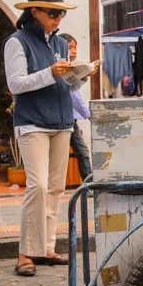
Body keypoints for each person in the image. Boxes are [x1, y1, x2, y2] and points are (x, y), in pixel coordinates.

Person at [3, 0, 89, 277]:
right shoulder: (17, 41)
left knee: (55, 188)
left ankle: (46, 247)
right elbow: (15, 84)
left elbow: (64, 84)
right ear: (34, 11)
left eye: (62, 12)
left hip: (62, 120)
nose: (58, 18)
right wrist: (49, 73)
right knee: (37, 186)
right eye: (53, 12)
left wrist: (81, 76)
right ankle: (25, 252)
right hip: (32, 122)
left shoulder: (60, 43)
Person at [58, 33, 97, 182]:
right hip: (64, 118)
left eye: (75, 48)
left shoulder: (72, 67)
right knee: (81, 151)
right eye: (70, 48)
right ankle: (88, 183)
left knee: (81, 151)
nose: (73, 51)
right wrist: (88, 114)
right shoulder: (64, 68)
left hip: (69, 118)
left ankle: (88, 183)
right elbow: (75, 97)